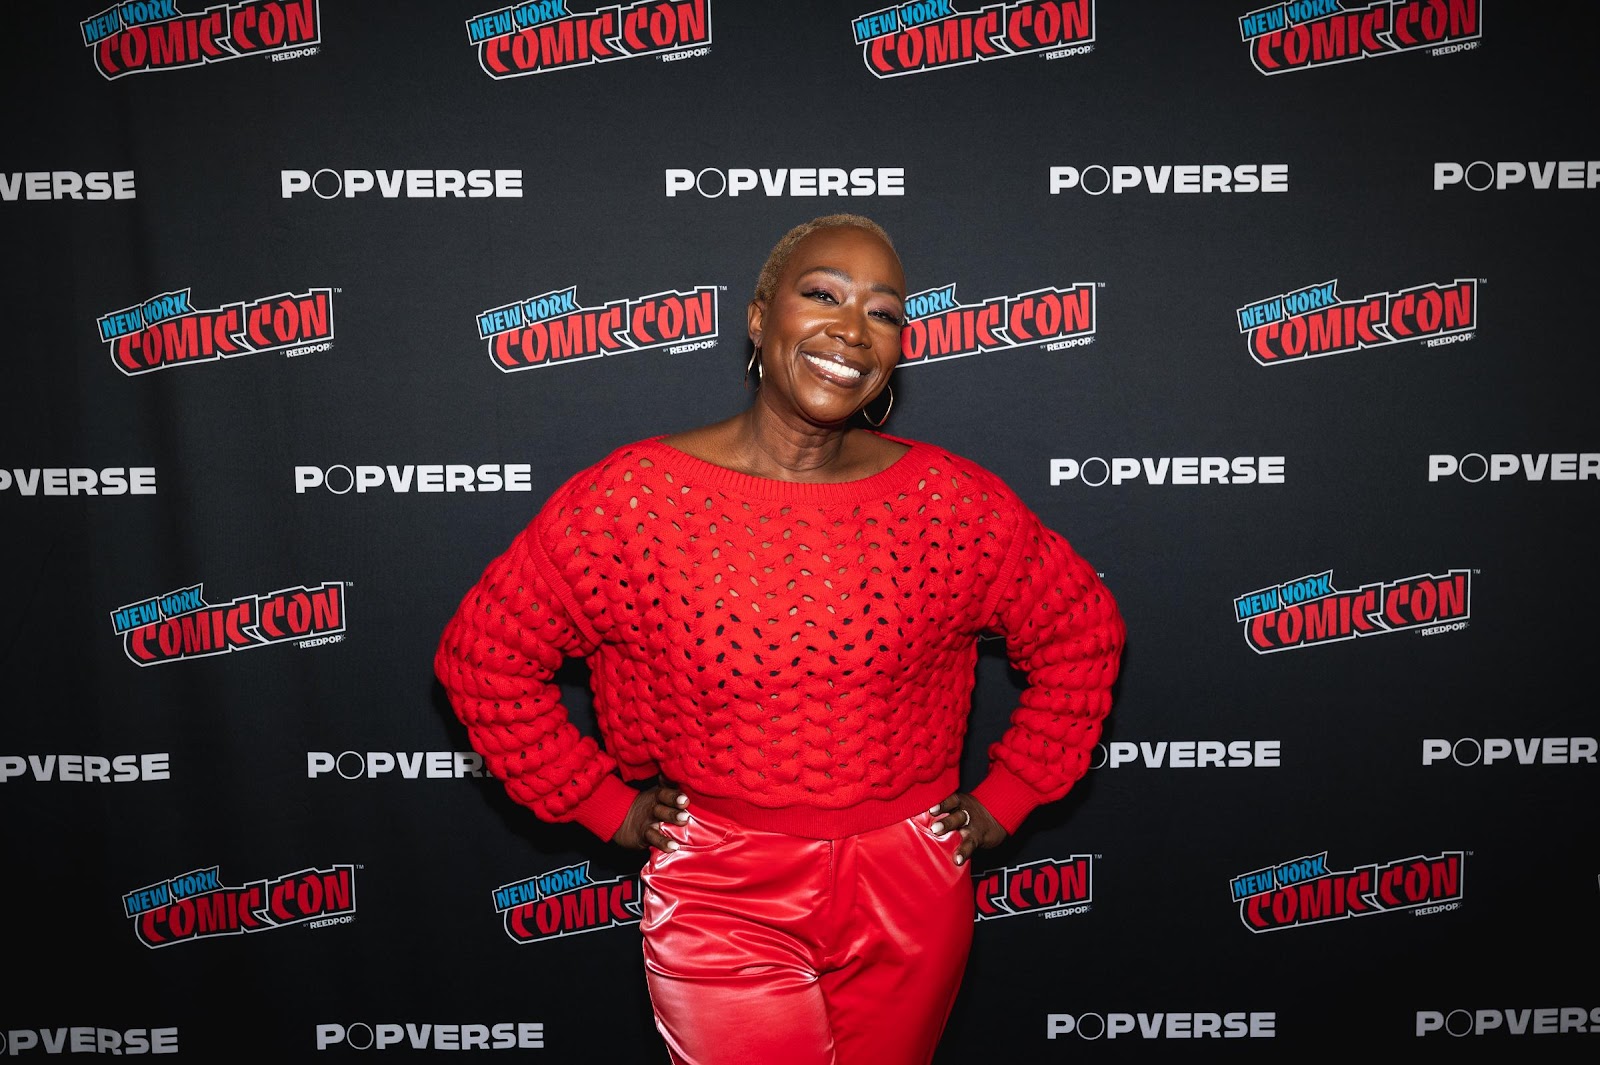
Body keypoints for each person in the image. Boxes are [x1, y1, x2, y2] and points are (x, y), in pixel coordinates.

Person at [434, 214, 1125, 1065]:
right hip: (721, 889)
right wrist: (602, 806)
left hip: (913, 886)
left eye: (884, 312)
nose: (852, 329)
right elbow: (487, 658)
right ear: (759, 318)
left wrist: (1008, 795)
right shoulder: (633, 501)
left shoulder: (952, 503)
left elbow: (1079, 632)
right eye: (823, 294)